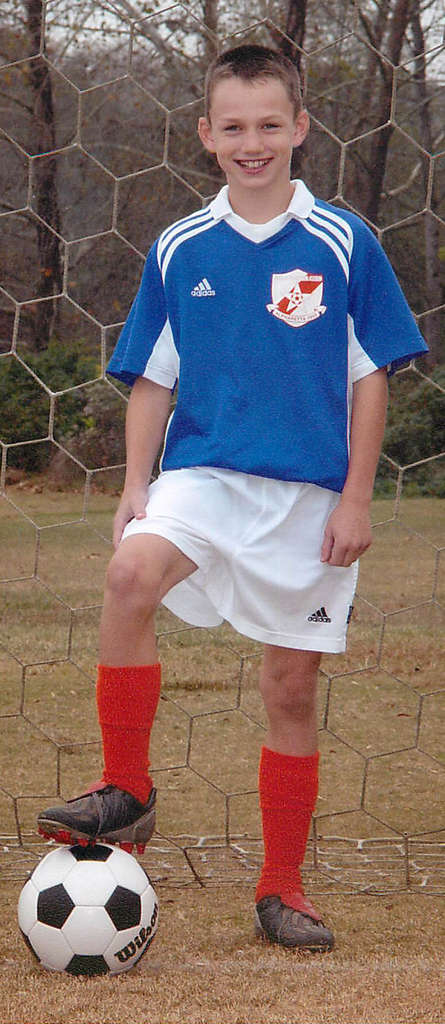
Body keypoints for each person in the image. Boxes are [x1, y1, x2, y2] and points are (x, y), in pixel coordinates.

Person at [38, 44, 428, 951]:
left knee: (290, 687)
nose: (251, 143)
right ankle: (126, 789)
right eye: (232, 127)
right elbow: (151, 381)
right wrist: (136, 486)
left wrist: (356, 500)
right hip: (203, 475)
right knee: (130, 576)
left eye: (268, 125)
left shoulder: (342, 242)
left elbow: (371, 378)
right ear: (205, 137)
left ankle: (280, 888)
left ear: (299, 128)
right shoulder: (180, 247)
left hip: (307, 494)